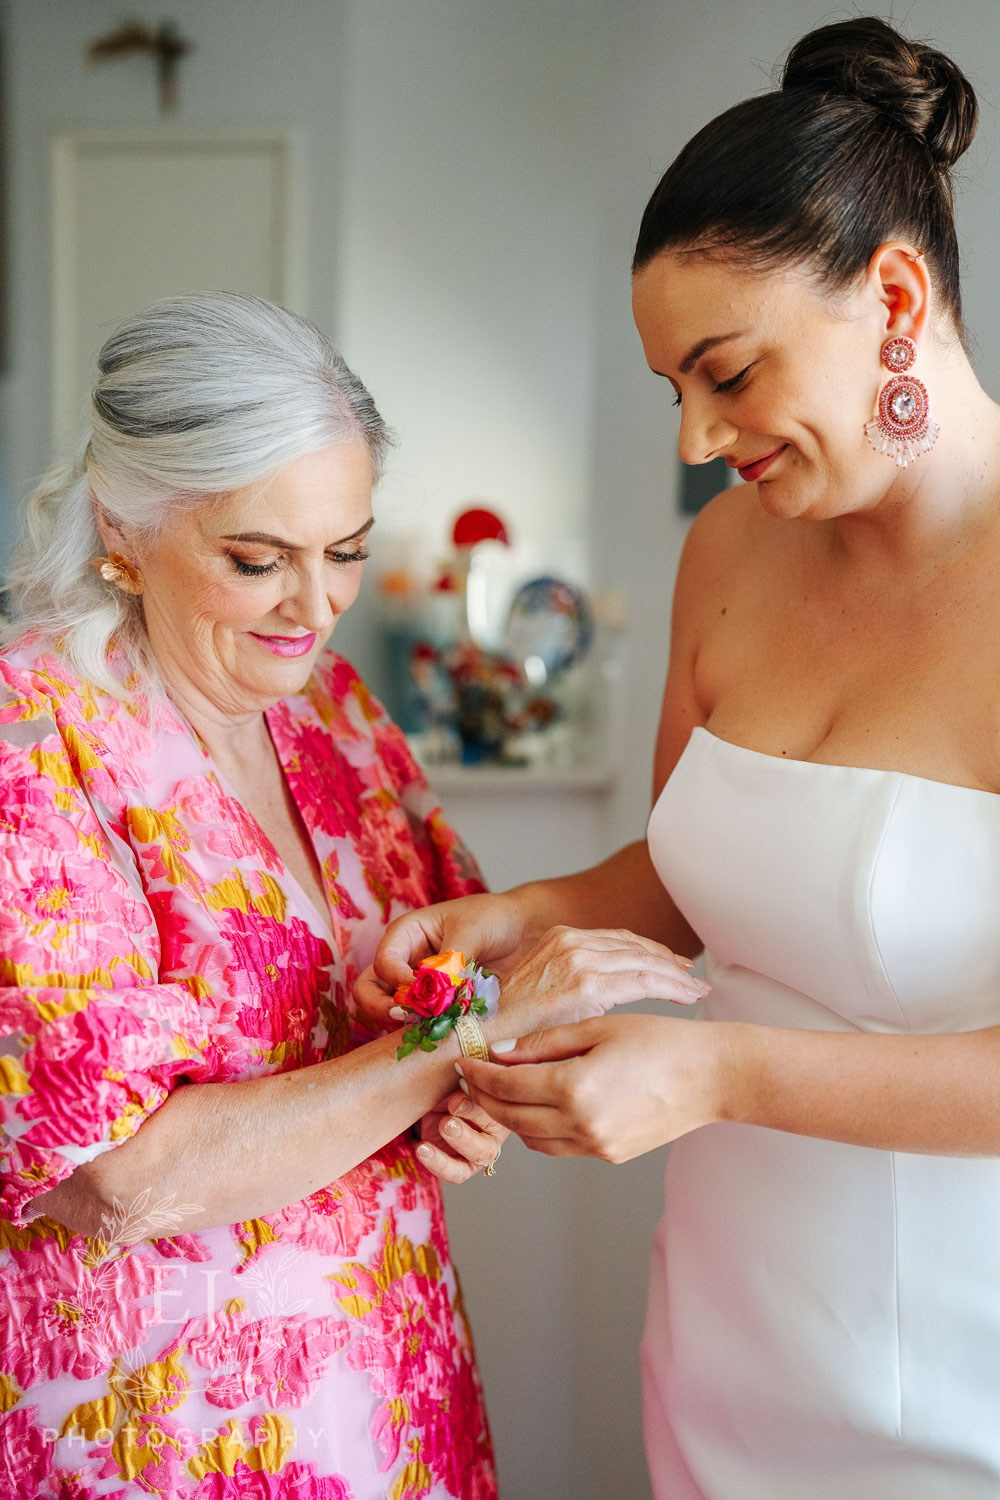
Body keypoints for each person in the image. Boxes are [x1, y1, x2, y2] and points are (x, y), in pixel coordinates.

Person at [360, 17, 1000, 1498]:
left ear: (895, 296)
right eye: (677, 396)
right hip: (736, 1333)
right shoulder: (726, 552)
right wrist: (520, 919)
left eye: (728, 372)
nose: (706, 438)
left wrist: (713, 1074)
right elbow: (694, 873)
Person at [0, 291, 701, 1499]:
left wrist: (464, 1094)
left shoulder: (333, 718)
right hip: (159, 1419)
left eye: (347, 552)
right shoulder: (33, 743)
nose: (317, 607)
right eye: (257, 560)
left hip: (386, 1379)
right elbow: (112, 1174)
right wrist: (455, 1044)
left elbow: (438, 1003)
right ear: (124, 527)